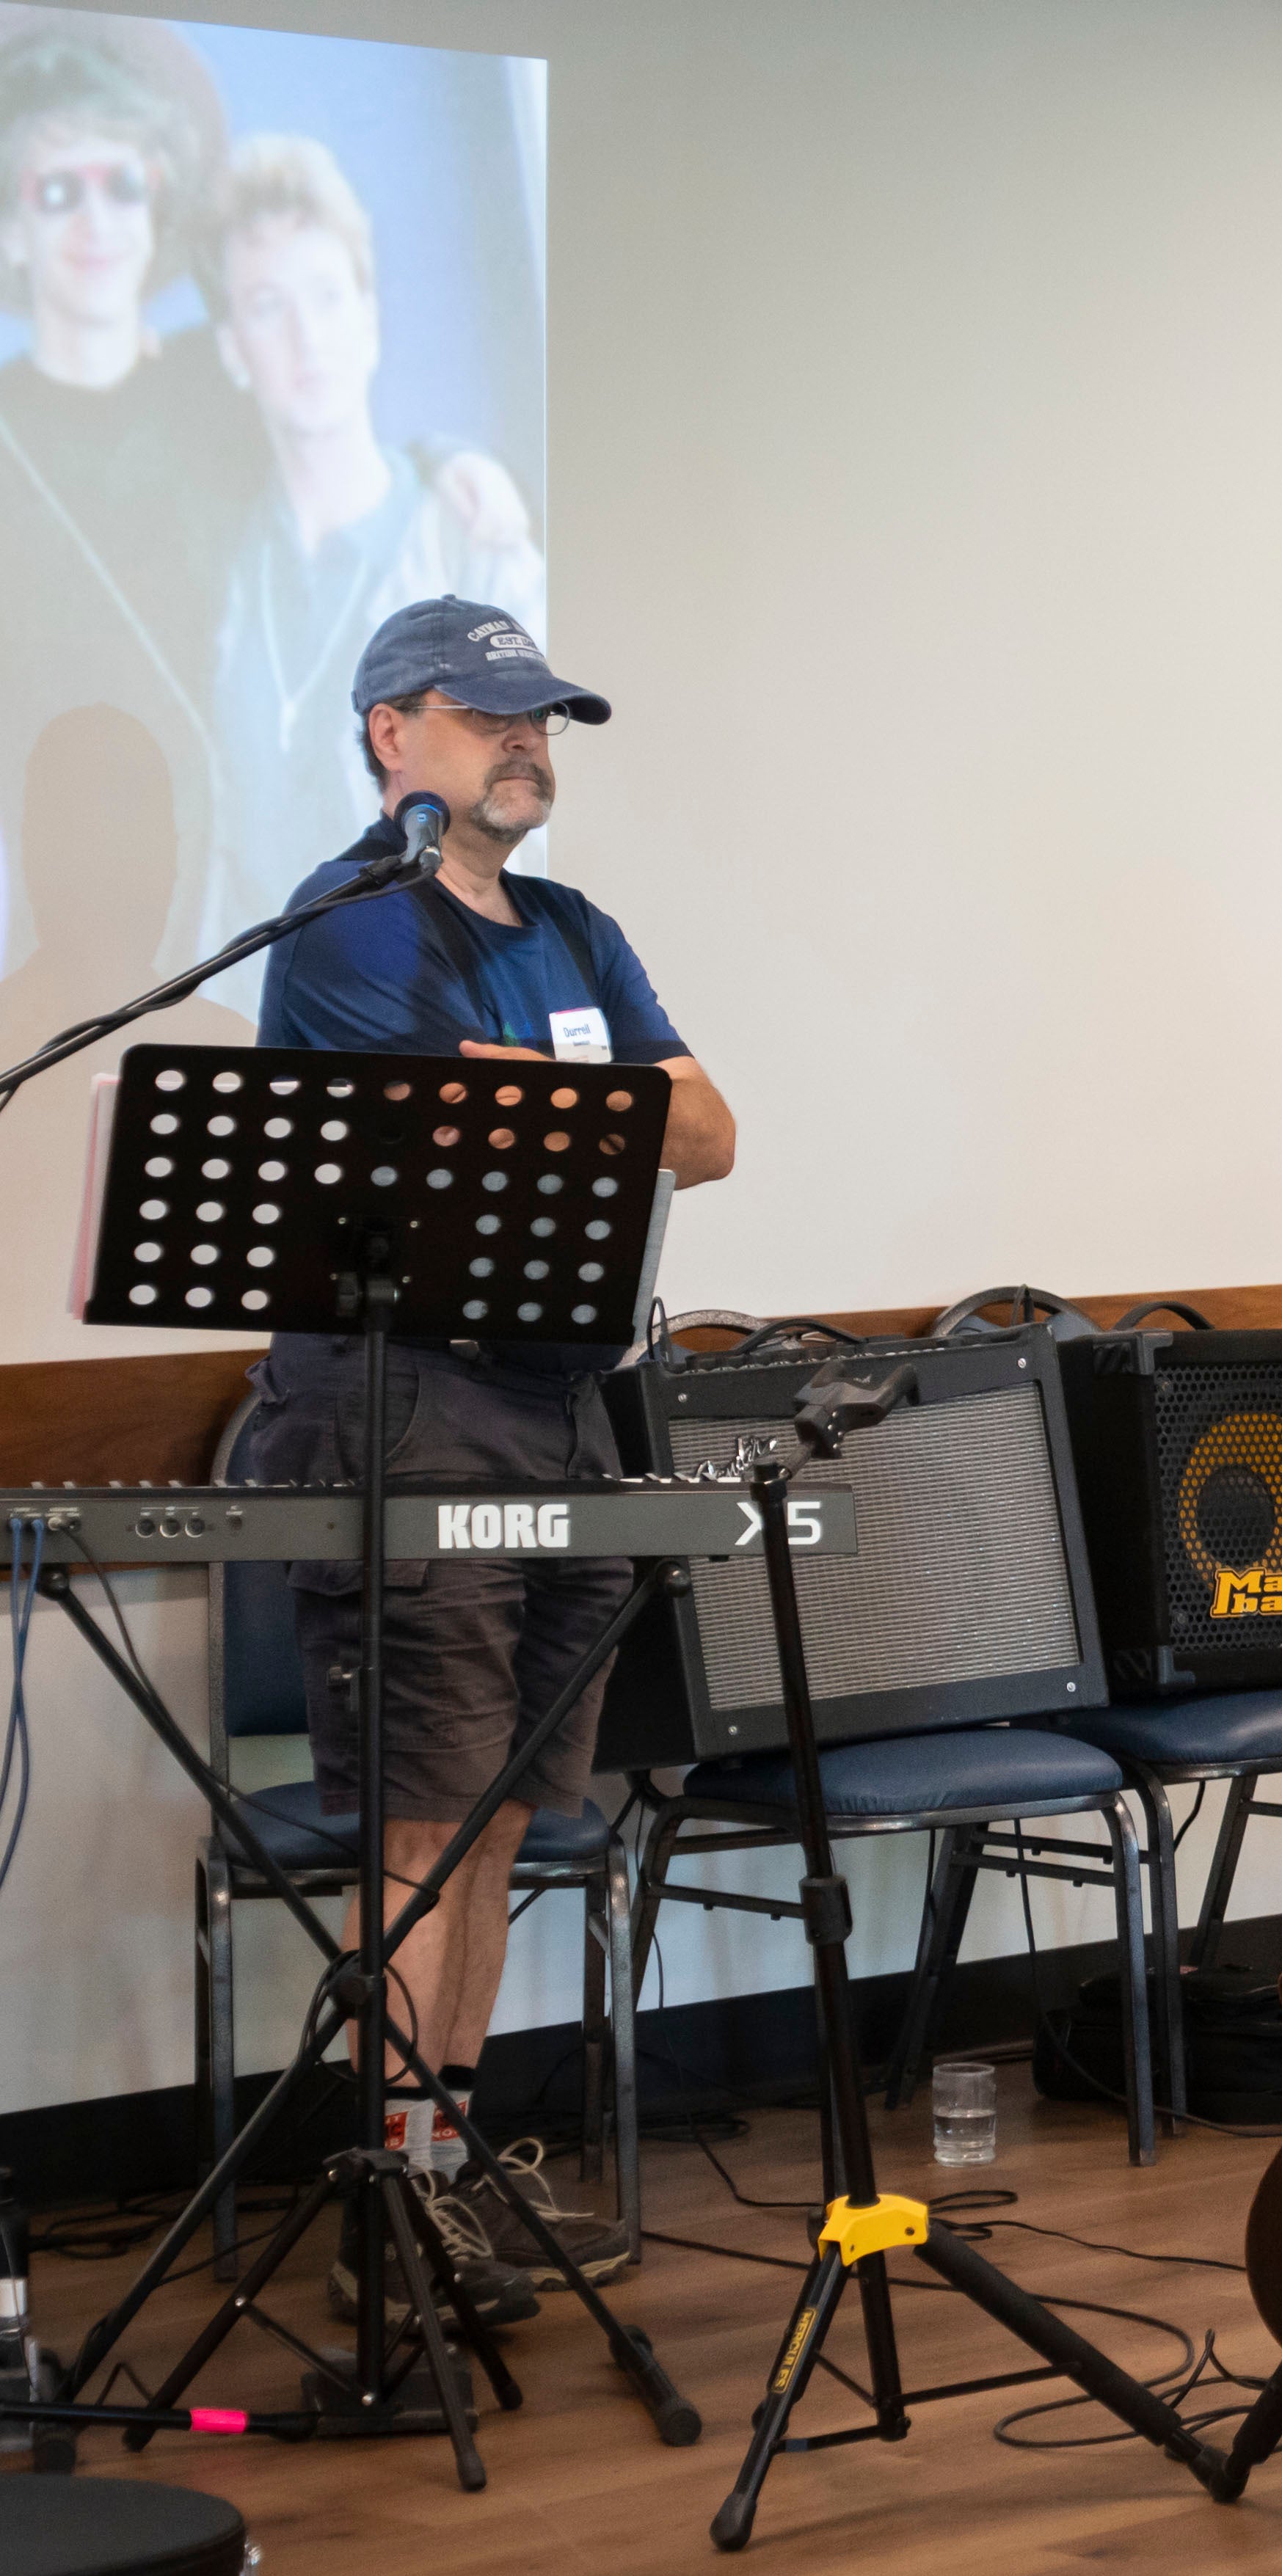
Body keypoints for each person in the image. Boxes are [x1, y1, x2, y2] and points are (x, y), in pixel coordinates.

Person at [247, 596, 737, 2319]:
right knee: (424, 1809)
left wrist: (538, 1089)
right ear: (393, 732)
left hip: (565, 1391)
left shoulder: (574, 925)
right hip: (409, 1396)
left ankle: (441, 2167)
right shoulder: (346, 923)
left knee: (512, 1806)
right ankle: (390, 2195)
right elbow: (479, 1115)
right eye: (492, 715)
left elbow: (712, 1130)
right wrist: (588, 1099)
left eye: (547, 721)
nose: (531, 744)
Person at [188, 134, 547, 1009]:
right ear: (234, 347)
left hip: (441, 1000)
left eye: (326, 293)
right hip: (261, 1014)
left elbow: (519, 811)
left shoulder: (470, 537)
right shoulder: (219, 571)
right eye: (270, 306)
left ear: (370, 314)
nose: (306, 334)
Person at [0, 14, 252, 980]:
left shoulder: (229, 395)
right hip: (62, 907)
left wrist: (450, 461)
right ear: (14, 231)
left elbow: (349, 468)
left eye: (122, 186)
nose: (96, 222)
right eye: (57, 191)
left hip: (241, 884)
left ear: (158, 210)